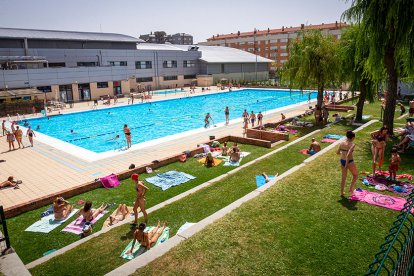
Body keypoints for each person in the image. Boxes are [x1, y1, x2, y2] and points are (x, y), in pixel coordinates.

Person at [336, 130, 358, 196]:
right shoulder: (352, 145)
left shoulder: (342, 143)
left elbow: (337, 152)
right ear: (353, 137)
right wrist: (346, 164)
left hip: (342, 160)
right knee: (355, 175)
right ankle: (351, 189)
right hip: (349, 162)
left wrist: (343, 153)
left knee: (343, 177)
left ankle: (342, 192)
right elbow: (348, 155)